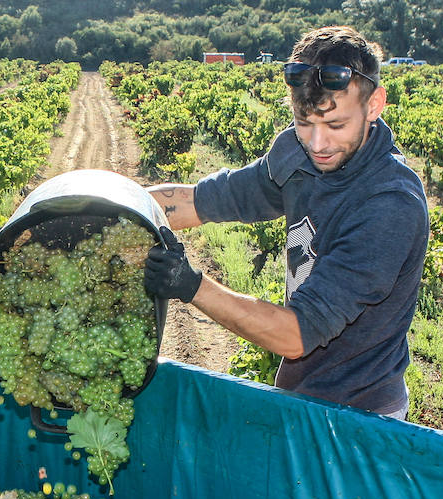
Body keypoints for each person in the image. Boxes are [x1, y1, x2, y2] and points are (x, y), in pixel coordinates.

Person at [143, 25, 428, 420]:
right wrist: (113, 205)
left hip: (361, 417)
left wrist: (191, 284)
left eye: (336, 125)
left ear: (374, 104)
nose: (317, 144)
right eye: (304, 121)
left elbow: (295, 335)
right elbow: (201, 200)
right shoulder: (298, 156)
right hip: (298, 394)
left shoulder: (389, 204)